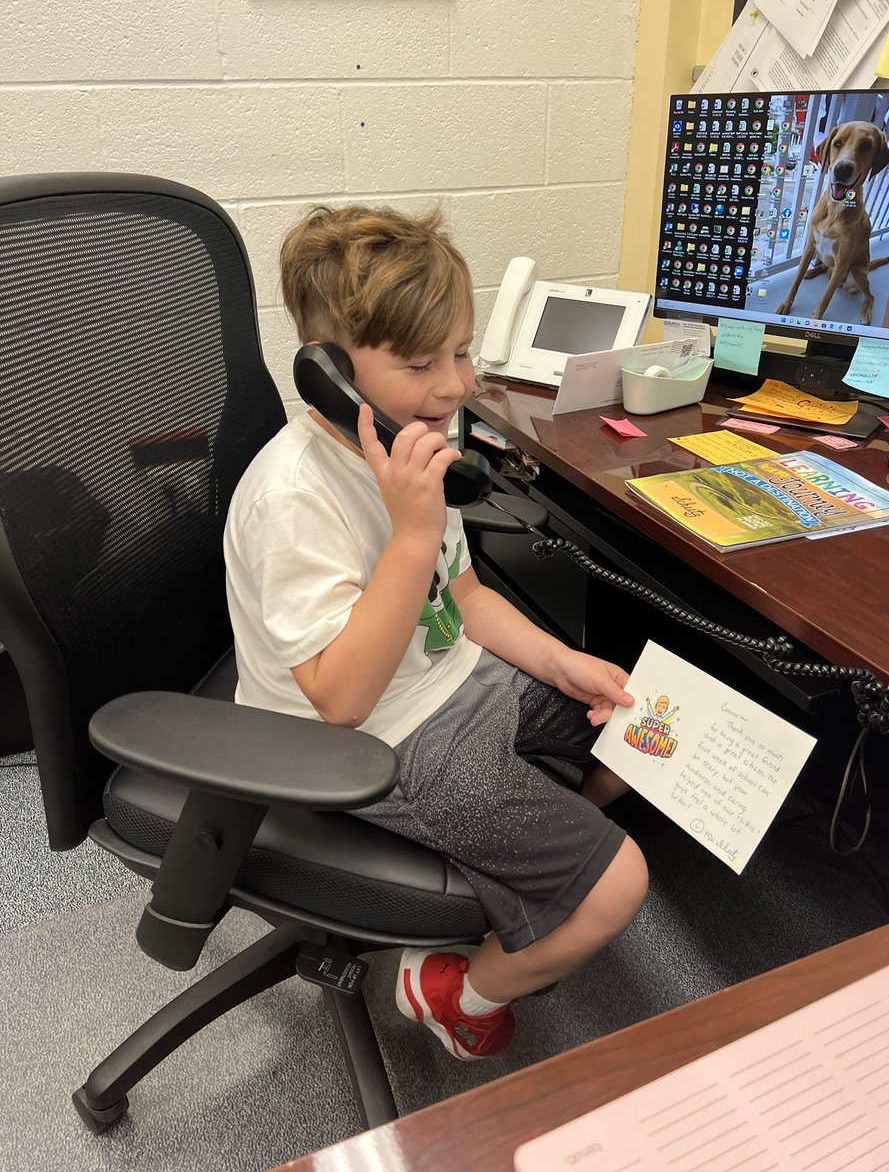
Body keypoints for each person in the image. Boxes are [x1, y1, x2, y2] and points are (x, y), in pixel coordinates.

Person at [224, 204, 648, 1061]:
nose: (455, 385)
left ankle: (516, 878)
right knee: (618, 888)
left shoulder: (413, 445)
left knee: (636, 733)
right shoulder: (294, 498)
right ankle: (450, 990)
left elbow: (465, 597)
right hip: (361, 739)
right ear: (327, 375)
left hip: (450, 683)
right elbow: (341, 701)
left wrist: (560, 660)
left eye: (460, 349)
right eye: (421, 362)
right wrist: (412, 534)